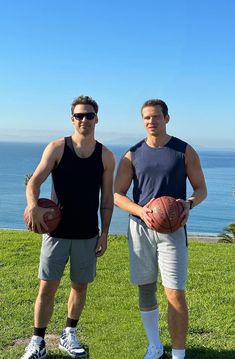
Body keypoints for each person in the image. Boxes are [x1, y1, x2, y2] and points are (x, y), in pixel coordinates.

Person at [21, 95, 115, 359]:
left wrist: (104, 233)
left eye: (89, 115)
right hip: (56, 232)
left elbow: (106, 200)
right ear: (72, 119)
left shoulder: (106, 156)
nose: (84, 120)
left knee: (80, 286)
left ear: (97, 119)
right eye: (79, 115)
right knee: (46, 287)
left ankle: (69, 333)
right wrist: (33, 207)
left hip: (87, 233)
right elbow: (34, 183)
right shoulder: (57, 148)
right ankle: (37, 341)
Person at [114, 99, 207, 359]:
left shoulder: (184, 150)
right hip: (140, 229)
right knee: (145, 288)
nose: (151, 122)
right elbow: (117, 195)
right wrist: (141, 211)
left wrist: (189, 203)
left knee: (175, 292)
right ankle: (154, 346)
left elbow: (201, 189)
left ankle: (178, 354)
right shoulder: (132, 154)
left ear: (167, 118)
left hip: (173, 229)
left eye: (156, 117)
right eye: (146, 118)